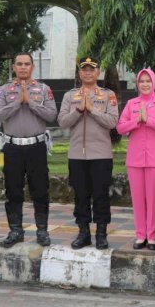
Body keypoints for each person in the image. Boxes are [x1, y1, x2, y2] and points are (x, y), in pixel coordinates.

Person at [0, 52, 58, 247]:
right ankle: (15, 230)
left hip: (36, 147)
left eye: (26, 64)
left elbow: (51, 114)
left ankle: (42, 231)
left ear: (32, 67)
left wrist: (30, 101)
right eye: (19, 64)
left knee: (40, 189)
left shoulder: (43, 89)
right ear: (13, 67)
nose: (23, 67)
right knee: (13, 190)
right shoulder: (4, 90)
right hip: (12, 147)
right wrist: (17, 102)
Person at [58, 57, 119, 250]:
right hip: (77, 155)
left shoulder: (108, 95)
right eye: (84, 70)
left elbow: (112, 122)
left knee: (101, 195)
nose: (88, 73)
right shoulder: (70, 96)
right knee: (80, 196)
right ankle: (83, 232)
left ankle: (101, 233)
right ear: (79, 73)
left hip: (101, 154)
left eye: (91, 70)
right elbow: (62, 122)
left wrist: (92, 110)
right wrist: (78, 110)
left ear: (98, 72)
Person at [116, 69, 155, 250]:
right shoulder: (132, 103)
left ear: (154, 83)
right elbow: (120, 127)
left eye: (148, 81)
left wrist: (148, 120)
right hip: (135, 159)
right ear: (138, 84)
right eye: (142, 81)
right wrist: (137, 122)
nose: (145, 84)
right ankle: (140, 235)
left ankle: (151, 236)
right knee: (138, 199)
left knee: (154, 198)